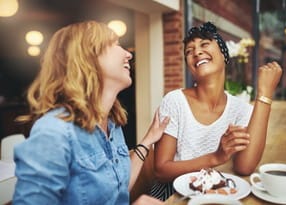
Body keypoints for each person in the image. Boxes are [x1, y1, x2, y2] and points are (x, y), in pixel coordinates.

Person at [12, 20, 169, 205]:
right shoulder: (54, 132)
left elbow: (117, 189)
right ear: (88, 57)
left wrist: (148, 139)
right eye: (116, 45)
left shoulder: (112, 123)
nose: (128, 54)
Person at [150, 21, 282, 201]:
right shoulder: (174, 101)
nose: (196, 52)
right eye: (189, 51)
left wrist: (265, 94)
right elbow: (160, 170)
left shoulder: (241, 110)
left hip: (216, 193)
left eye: (204, 45)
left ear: (224, 55)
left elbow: (244, 167)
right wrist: (216, 157)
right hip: (171, 194)